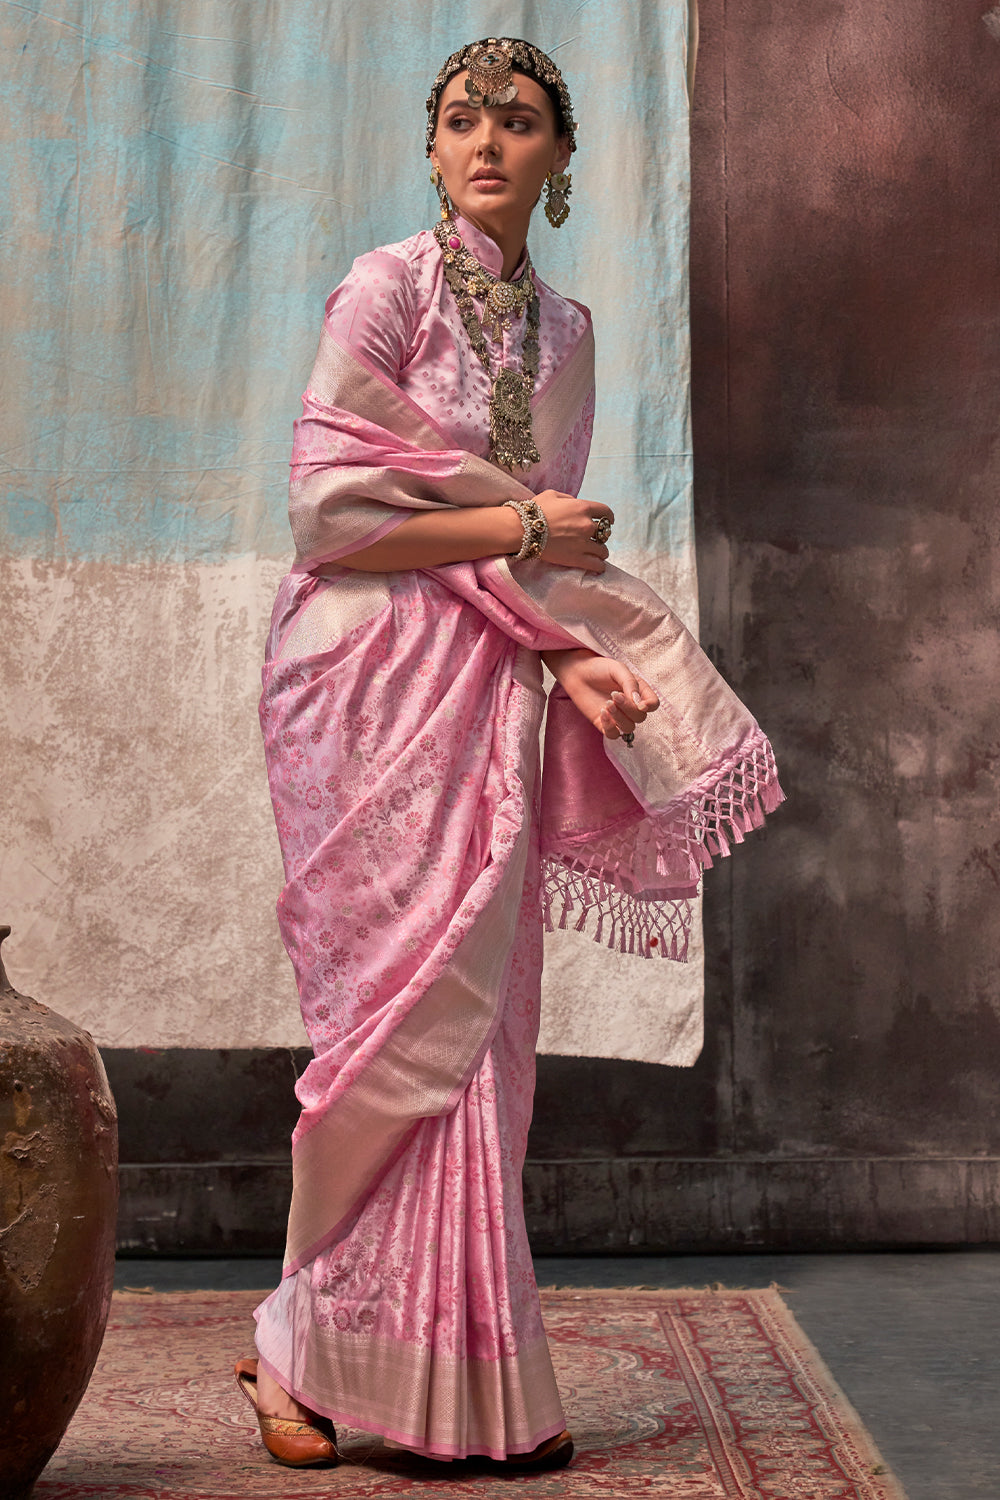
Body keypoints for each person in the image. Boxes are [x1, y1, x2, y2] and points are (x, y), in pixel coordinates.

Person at [234, 36, 782, 1474]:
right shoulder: (384, 287)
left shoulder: (571, 335)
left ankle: (434, 1378)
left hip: (487, 682)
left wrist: (573, 657)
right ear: (431, 149)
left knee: (479, 1033)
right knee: (377, 1030)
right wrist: (520, 527)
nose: (488, 140)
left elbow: (538, 569)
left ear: (558, 158)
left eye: (520, 120)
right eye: (464, 118)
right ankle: (297, 1346)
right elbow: (331, 519)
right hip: (355, 682)